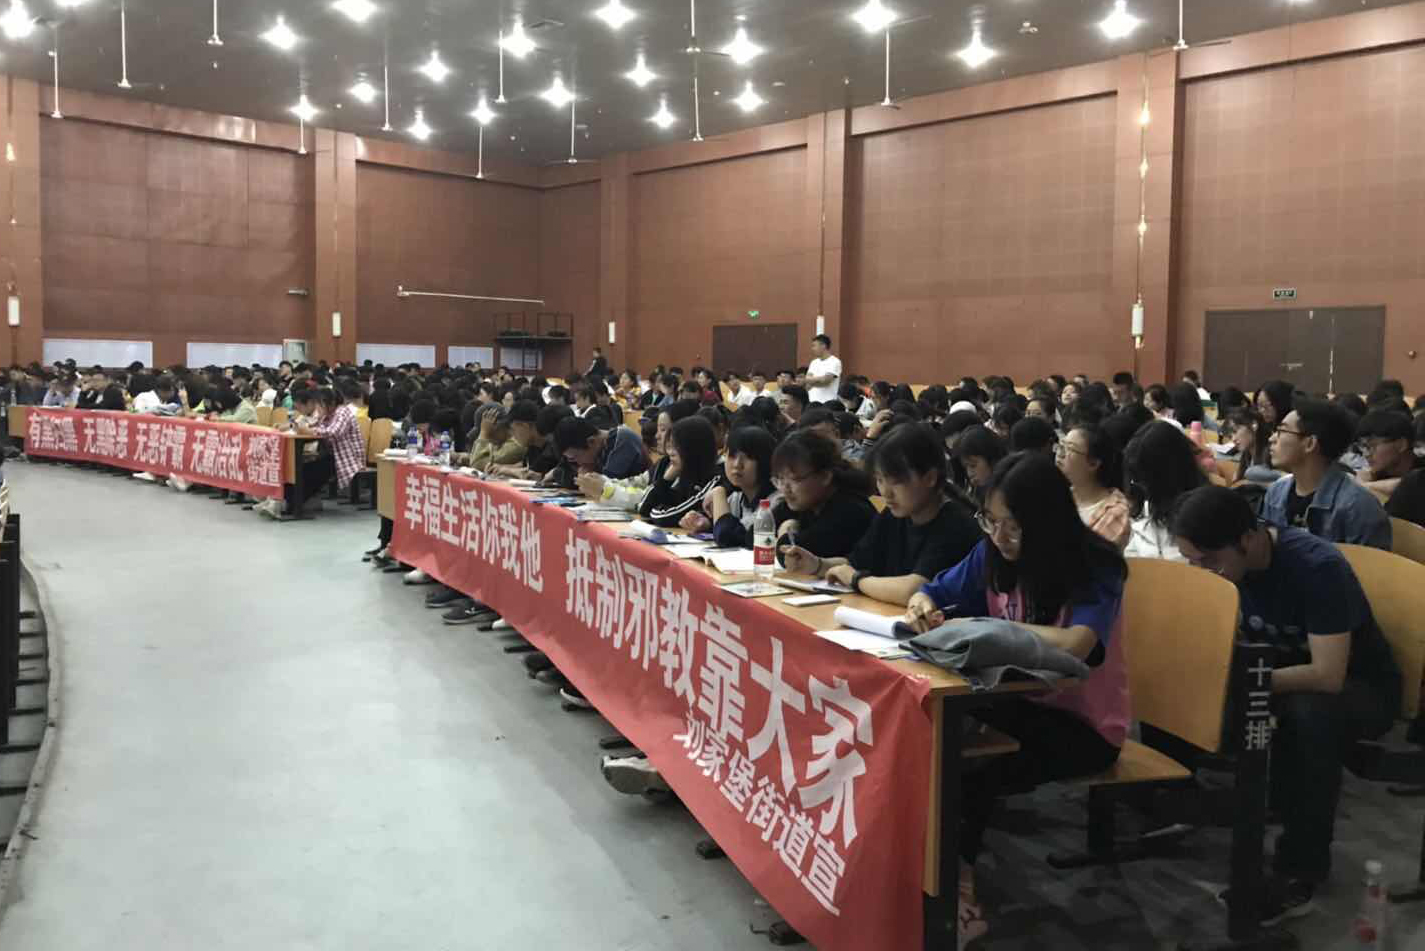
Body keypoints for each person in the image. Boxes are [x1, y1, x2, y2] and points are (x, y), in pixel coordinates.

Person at [904, 452, 1129, 943]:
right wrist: (922, 604)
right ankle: (919, 875)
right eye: (991, 521)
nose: (1000, 536)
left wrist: (988, 628)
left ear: (1047, 522)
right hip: (1017, 702)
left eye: (1014, 526)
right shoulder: (990, 552)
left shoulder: (1095, 565)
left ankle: (958, 897)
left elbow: (1077, 643)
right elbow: (933, 592)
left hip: (1084, 726)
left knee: (967, 771)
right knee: (927, 735)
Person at [1170, 487, 1400, 921]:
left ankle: (1300, 869)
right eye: (1192, 561)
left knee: (1307, 716)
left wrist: (1246, 683)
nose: (1203, 573)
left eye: (1210, 561)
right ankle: (1173, 805)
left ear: (1248, 538)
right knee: (1175, 676)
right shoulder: (1228, 566)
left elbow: (1328, 675)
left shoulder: (1315, 567)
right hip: (1283, 674)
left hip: (1361, 688)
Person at [781, 423, 981, 606]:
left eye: (896, 481)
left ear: (930, 478)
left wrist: (856, 580)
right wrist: (818, 564)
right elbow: (855, 563)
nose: (885, 492)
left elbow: (914, 589)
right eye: (880, 480)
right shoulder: (893, 514)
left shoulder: (956, 523)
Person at [1263, 398, 1391, 549]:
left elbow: (1370, 563)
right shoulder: (1276, 492)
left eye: (1281, 431)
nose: (1271, 438)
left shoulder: (1359, 508)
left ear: (1310, 443)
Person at [258, 380, 366, 519]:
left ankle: (290, 505)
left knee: (311, 473)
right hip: (332, 456)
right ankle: (283, 503)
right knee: (302, 470)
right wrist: (296, 427)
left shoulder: (342, 412)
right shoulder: (328, 414)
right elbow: (314, 425)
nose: (318, 408)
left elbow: (333, 432)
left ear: (330, 403)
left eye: (320, 404)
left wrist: (309, 430)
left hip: (347, 459)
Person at [769, 430, 875, 563]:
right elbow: (756, 535)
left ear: (825, 476)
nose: (785, 489)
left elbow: (793, 556)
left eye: (795, 479)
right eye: (780, 479)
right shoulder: (806, 500)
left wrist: (786, 529)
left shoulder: (850, 510)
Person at [680, 426, 778, 547]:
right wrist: (706, 524)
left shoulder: (776, 501)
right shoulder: (736, 498)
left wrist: (718, 492)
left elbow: (725, 536)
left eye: (748, 457)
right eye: (732, 455)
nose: (737, 464)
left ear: (765, 462)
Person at [1122, 421, 1206, 561]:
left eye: (1143, 479)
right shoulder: (1148, 505)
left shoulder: (1201, 512)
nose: (1139, 486)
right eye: (1136, 479)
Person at [631, 416, 720, 526]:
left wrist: (657, 509)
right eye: (670, 447)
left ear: (694, 449)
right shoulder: (684, 476)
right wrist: (666, 479)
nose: (671, 453)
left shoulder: (714, 479)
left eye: (677, 447)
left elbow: (665, 517)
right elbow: (643, 508)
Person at [1057, 424, 1130, 548]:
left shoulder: (1115, 514)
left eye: (1069, 449)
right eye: (1061, 446)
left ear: (1093, 464)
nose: (1060, 454)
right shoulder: (1057, 495)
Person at [1353, 410, 1425, 523]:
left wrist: (1364, 486)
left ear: (1401, 445)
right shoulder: (1374, 474)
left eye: (1372, 446)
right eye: (1363, 447)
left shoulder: (1419, 477)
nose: (1366, 454)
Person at [554, 416, 649, 482]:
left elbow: (604, 486)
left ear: (591, 442)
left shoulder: (621, 440)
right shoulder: (597, 449)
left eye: (575, 457)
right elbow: (561, 473)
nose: (578, 463)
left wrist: (588, 476)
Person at [954, 425, 1006, 503]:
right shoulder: (977, 491)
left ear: (992, 459)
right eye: (965, 467)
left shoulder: (1010, 488)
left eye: (973, 465)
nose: (969, 474)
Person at [804, 334, 842, 405]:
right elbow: (807, 381)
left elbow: (825, 381)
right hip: (811, 402)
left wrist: (813, 381)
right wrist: (819, 379)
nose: (812, 349)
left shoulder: (835, 362)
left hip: (827, 403)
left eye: (814, 346)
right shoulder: (814, 362)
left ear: (823, 346)